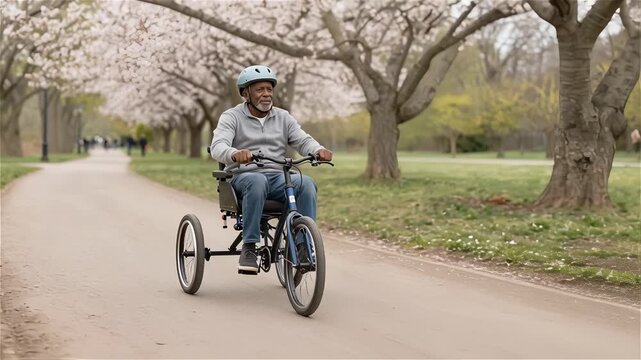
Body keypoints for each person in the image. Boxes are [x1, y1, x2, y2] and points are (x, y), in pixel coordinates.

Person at [209, 65, 333, 274]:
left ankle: (303, 245)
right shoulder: (231, 117)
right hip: (243, 177)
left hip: (278, 177)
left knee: (306, 183)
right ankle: (249, 246)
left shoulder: (283, 117)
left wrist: (318, 149)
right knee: (257, 181)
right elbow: (217, 146)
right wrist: (234, 153)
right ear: (245, 93)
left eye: (269, 89)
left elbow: (303, 140)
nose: (266, 94)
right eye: (260, 90)